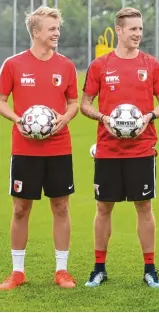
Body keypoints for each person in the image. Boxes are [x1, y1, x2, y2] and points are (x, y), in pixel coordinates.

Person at [80, 7, 159, 288]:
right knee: (103, 208)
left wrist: (149, 116)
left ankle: (150, 269)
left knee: (144, 207)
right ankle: (98, 268)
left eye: (140, 29)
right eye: (133, 29)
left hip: (142, 149)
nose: (138, 34)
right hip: (108, 149)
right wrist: (103, 117)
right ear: (118, 31)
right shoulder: (100, 66)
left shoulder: (151, 64)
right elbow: (85, 104)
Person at [0, 6, 78, 290]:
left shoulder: (66, 66)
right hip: (24, 149)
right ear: (36, 33)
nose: (57, 33)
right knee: (21, 208)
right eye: (51, 29)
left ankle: (62, 270)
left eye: (58, 28)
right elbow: (1, 100)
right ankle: (18, 272)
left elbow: (73, 103)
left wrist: (65, 118)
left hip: (59, 148)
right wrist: (16, 118)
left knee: (60, 206)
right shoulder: (13, 64)